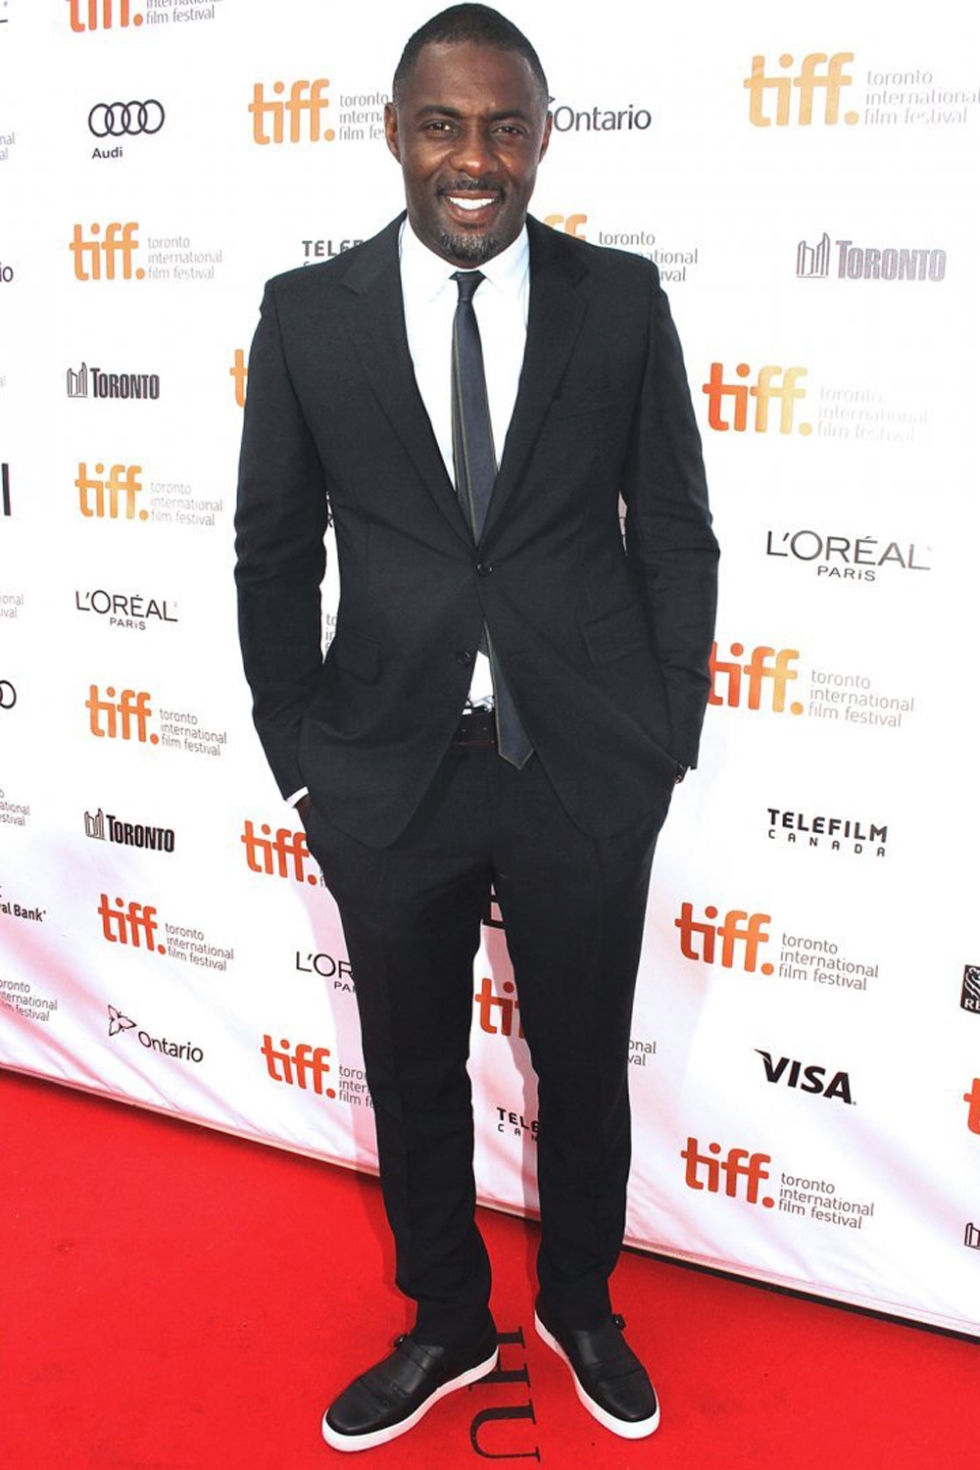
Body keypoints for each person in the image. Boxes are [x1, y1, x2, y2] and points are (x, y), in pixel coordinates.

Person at [235, 3, 718, 1452]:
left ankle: (580, 1300)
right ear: (395, 132)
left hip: (584, 768)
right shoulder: (307, 314)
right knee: (412, 1070)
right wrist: (302, 761)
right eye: (443, 125)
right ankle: (445, 1318)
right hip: (387, 770)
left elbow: (675, 531)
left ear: (544, 137)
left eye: (506, 127)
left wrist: (661, 739)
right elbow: (273, 556)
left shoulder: (618, 299)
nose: (475, 158)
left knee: (583, 1060)